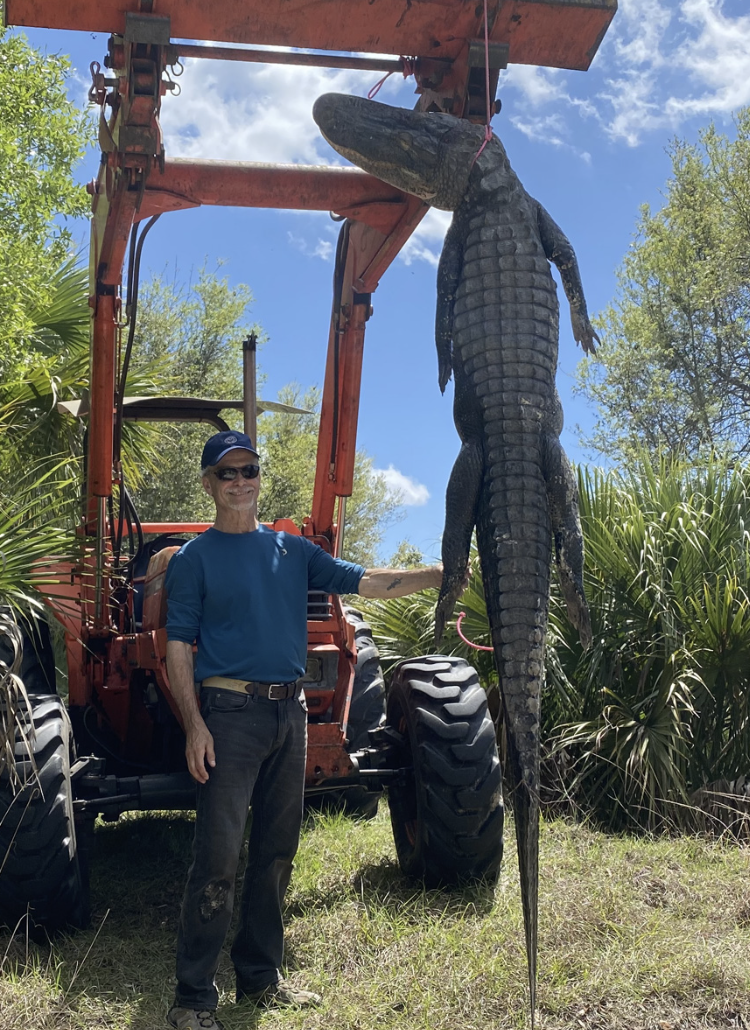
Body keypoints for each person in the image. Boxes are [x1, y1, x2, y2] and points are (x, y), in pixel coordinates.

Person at [164, 430, 445, 1030]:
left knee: (275, 853)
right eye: (228, 473)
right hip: (229, 718)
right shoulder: (193, 560)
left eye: (249, 470)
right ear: (209, 483)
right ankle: (193, 998)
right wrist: (194, 726)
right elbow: (179, 649)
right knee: (217, 857)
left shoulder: (293, 552)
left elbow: (368, 581)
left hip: (290, 715)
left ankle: (261, 976)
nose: (241, 481)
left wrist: (439, 574)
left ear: (260, 478)